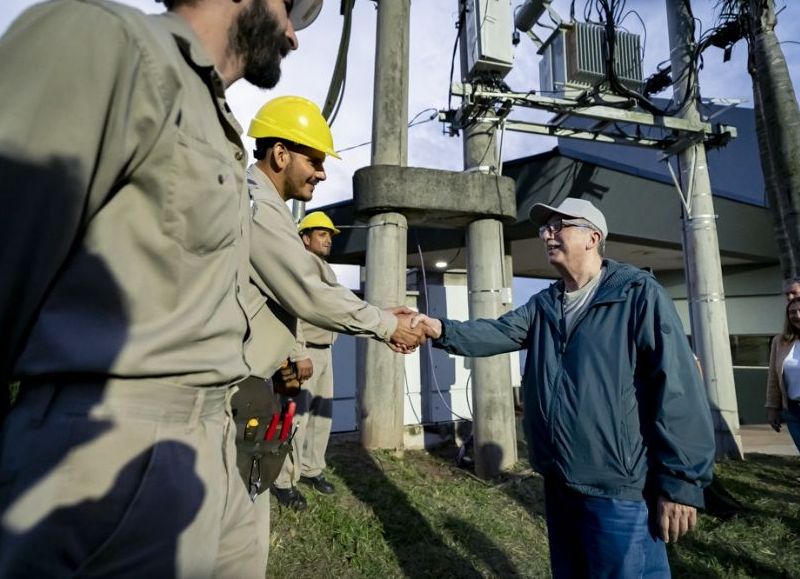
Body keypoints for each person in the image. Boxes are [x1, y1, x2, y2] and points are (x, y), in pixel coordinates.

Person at [0, 0, 323, 576]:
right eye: (290, 7)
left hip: (214, 439)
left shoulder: (215, 123)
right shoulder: (106, 44)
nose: (292, 36)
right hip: (111, 450)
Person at [412, 198, 715, 578]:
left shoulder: (637, 294)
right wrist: (438, 328)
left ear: (593, 237)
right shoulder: (545, 303)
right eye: (545, 228)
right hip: (559, 481)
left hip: (616, 486)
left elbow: (678, 388)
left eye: (559, 226)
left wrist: (680, 484)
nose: (547, 235)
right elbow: (497, 332)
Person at [240, 96, 425, 547]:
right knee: (237, 522)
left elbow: (320, 292)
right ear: (280, 154)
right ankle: (283, 482)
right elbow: (309, 294)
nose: (322, 174)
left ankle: (300, 473)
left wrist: (383, 314)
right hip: (237, 383)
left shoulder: (267, 207)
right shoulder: (258, 207)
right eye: (315, 161)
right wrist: (386, 326)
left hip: (254, 377)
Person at [271, 211, 345, 508]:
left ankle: (312, 469)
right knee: (295, 418)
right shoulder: (297, 266)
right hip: (304, 353)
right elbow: (290, 313)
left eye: (330, 235)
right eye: (321, 234)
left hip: (325, 351)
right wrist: (299, 354)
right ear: (305, 238)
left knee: (321, 415)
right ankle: (283, 481)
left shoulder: (325, 269)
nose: (328, 240)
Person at [766, 298, 800, 453]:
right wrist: (773, 408)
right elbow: (773, 377)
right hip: (793, 409)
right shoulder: (779, 342)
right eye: (792, 312)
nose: (797, 316)